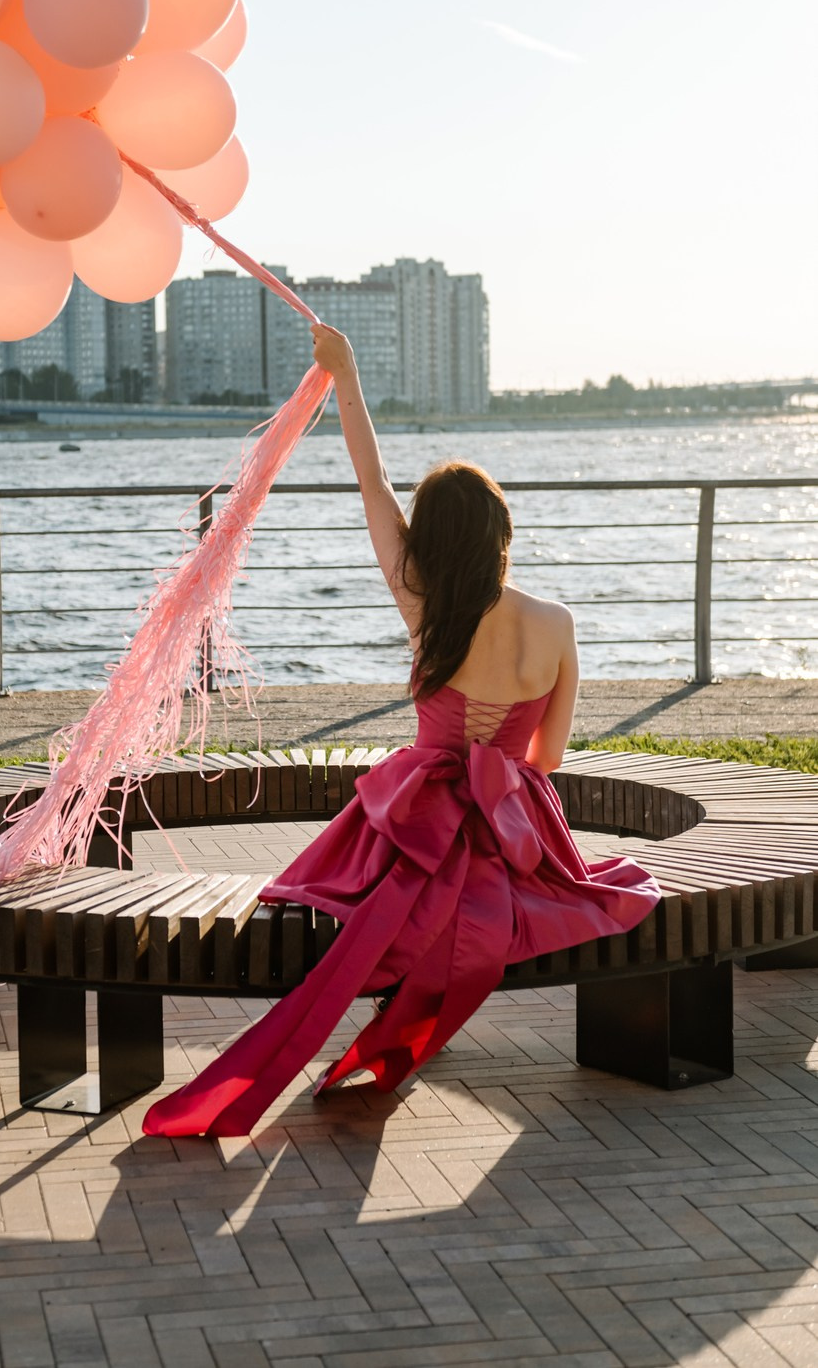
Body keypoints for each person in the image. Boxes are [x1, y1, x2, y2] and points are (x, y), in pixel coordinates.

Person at [142, 323, 660, 1139]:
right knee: (585, 883)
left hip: (416, 823)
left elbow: (372, 477)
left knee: (361, 891)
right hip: (512, 829)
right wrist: (498, 782)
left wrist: (343, 372)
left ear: (431, 541)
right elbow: (548, 758)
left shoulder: (421, 598)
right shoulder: (557, 623)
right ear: (503, 536)